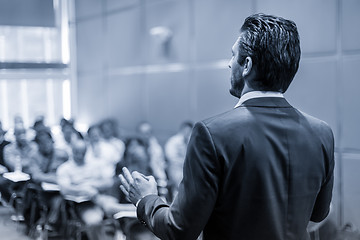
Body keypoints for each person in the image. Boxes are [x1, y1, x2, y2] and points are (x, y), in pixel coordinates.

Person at [119, 13, 335, 240]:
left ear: (247, 66)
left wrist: (147, 200)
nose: (230, 63)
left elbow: (179, 230)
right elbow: (318, 213)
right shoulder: (322, 133)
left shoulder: (212, 134)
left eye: (233, 55)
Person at [164, 121, 193, 200]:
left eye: (189, 131)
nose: (187, 133)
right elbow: (170, 157)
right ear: (182, 130)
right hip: (175, 168)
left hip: (186, 168)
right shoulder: (173, 141)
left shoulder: (191, 141)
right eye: (186, 130)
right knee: (178, 186)